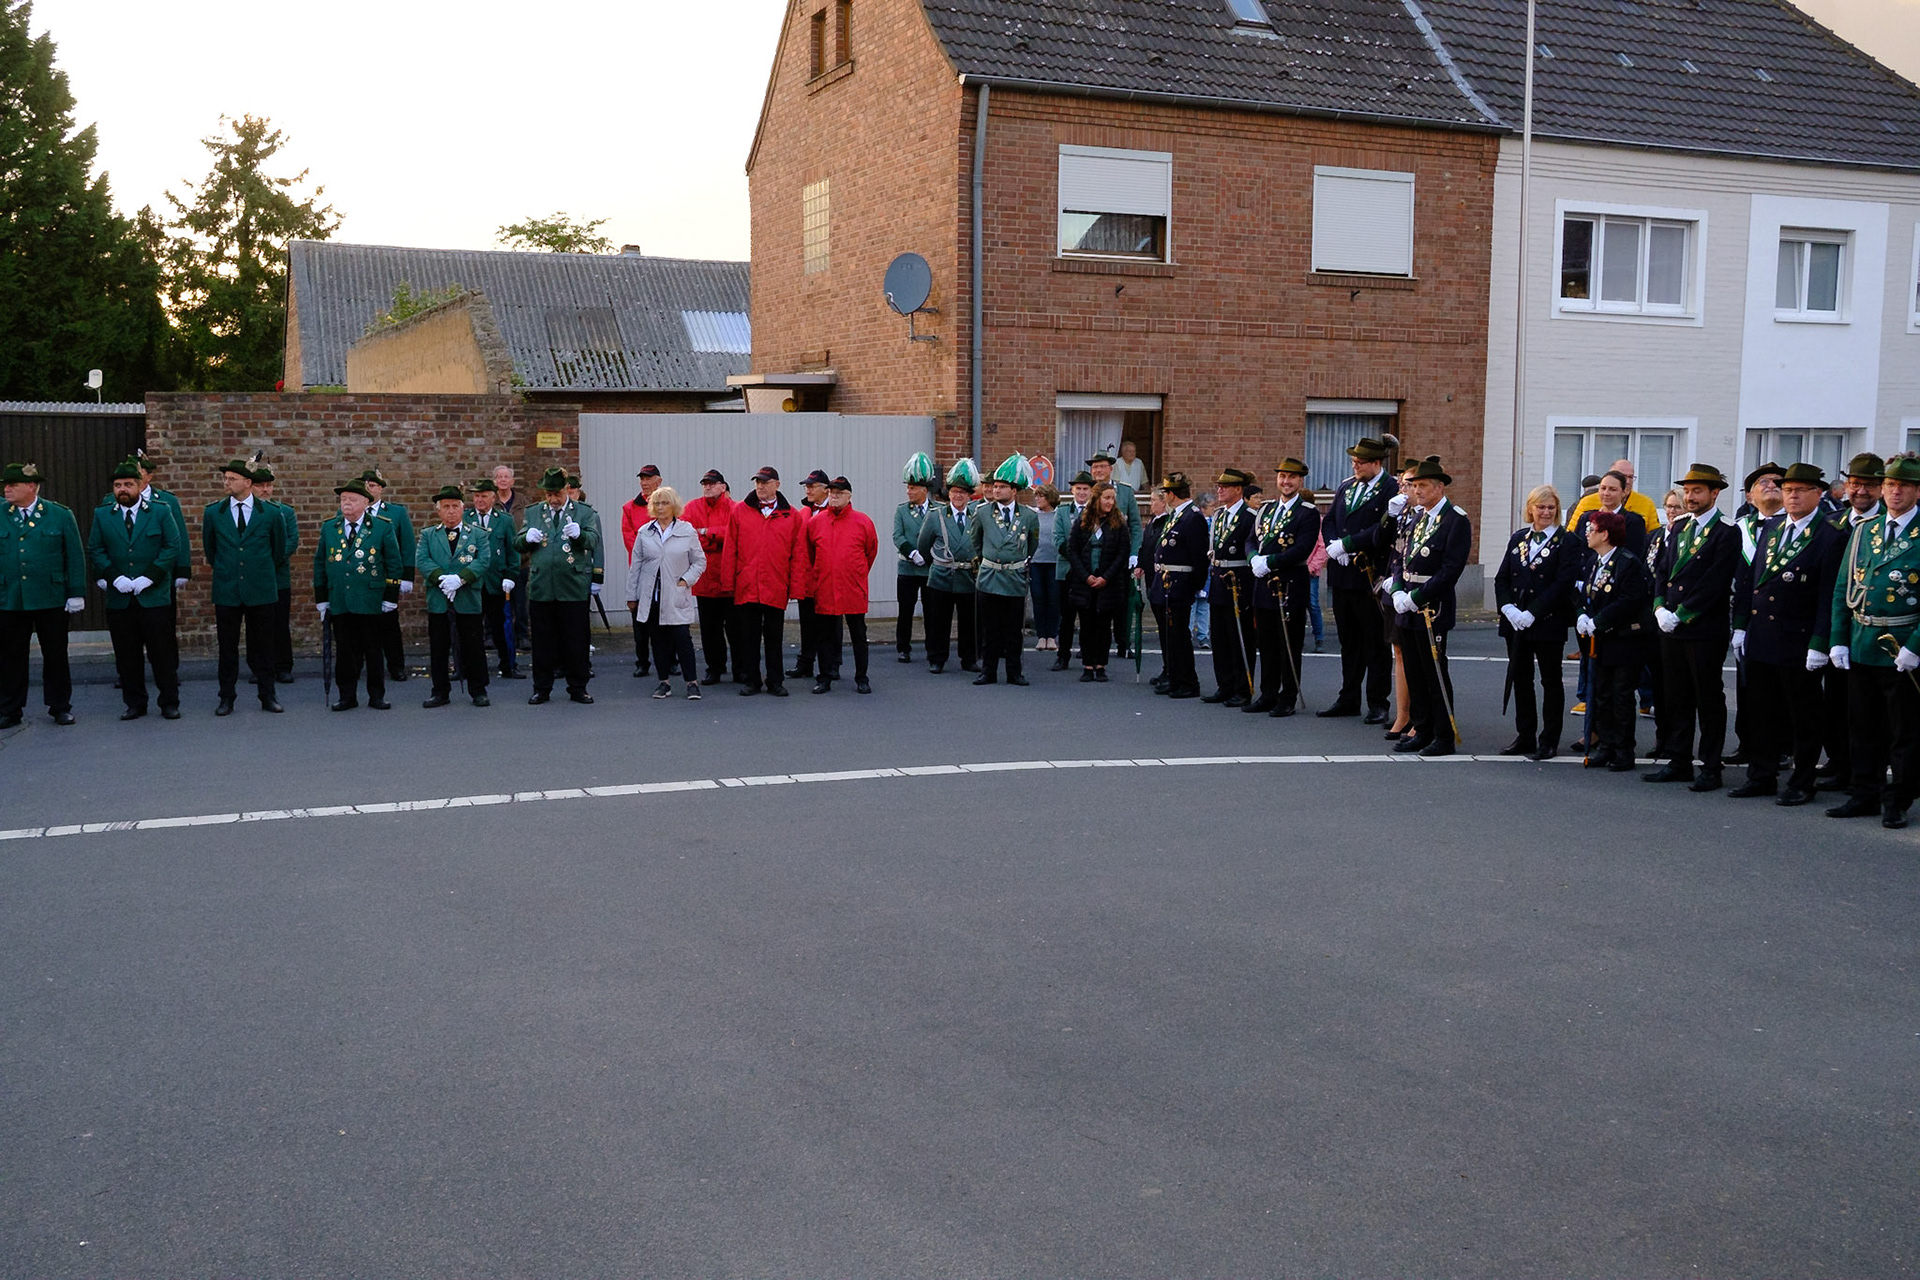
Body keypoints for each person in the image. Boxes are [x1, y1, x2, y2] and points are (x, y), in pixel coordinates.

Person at [1727, 463, 1846, 801]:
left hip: (1800, 637)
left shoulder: (1830, 534)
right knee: (1762, 711)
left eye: (1799, 490)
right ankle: (1761, 775)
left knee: (1803, 716)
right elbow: (1752, 582)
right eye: (1787, 489)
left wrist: (1821, 642)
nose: (1791, 495)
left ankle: (1801, 782)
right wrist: (1741, 628)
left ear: (1818, 494)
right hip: (1763, 634)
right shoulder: (1773, 527)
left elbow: (1828, 595)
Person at [1817, 452, 1920, 828]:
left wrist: (1915, 647)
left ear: (1917, 491)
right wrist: (1838, 639)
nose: (1895, 492)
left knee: (1903, 731)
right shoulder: (1865, 531)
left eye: (1904, 486)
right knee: (1863, 726)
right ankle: (1865, 793)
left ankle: (1898, 800)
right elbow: (1845, 588)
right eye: (1891, 485)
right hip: (1863, 640)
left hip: (1902, 646)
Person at [1644, 463, 1740, 791]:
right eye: (1687, 491)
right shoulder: (1680, 526)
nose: (1690, 497)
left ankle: (1711, 766)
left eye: (1697, 491)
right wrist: (1659, 608)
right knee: (1676, 696)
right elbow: (1662, 571)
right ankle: (1679, 760)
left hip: (1701, 628)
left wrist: (1682, 613)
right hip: (1670, 627)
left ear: (1715, 493)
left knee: (1708, 698)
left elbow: (1715, 582)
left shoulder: (1727, 531)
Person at [1385, 457, 1472, 756]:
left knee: (1434, 671)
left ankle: (1443, 735)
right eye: (1414, 485)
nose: (1416, 491)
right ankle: (1421, 728)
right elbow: (1401, 557)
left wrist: (1416, 597)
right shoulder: (1416, 517)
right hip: (1406, 605)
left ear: (1439, 487)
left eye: (1422, 486)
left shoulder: (1455, 520)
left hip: (1431, 607)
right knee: (1414, 669)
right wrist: (1397, 590)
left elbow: (1450, 570)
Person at [88, 458, 184, 721]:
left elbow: (171, 547)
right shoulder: (103, 514)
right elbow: (96, 549)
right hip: (120, 597)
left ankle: (169, 701)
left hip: (153, 595)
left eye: (128, 484)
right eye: (118, 485)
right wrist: (113, 576)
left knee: (161, 653)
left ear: (140, 486)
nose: (123, 489)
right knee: (127, 655)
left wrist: (150, 577)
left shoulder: (161, 511)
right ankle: (135, 703)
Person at [1494, 484, 1579, 759]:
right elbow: (1502, 578)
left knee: (1551, 681)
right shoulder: (1519, 538)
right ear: (1530, 509)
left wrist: (1534, 612)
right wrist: (1507, 608)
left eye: (1550, 507)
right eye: (1540, 507)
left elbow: (1563, 582)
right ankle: (1525, 735)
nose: (1545, 512)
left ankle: (1549, 739)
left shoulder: (1567, 541)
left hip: (1547, 622)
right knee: (1521, 679)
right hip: (1516, 622)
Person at [1320, 437, 1399, 722]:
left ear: (1376, 463)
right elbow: (1330, 520)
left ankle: (1378, 701)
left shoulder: (1390, 489)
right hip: (1343, 574)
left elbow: (1384, 530)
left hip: (1369, 575)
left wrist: (1348, 544)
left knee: (1375, 643)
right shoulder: (1346, 485)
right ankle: (1348, 696)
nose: (1355, 466)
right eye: (1354, 461)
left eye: (1360, 462)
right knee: (1348, 641)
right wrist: (1333, 545)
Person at [1, 461, 85, 727]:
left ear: (31, 486)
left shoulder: (59, 515)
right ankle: (10, 709)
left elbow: (74, 555)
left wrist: (76, 592)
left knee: (55, 654)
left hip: (50, 595)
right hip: (11, 597)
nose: (7, 489)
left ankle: (60, 706)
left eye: (12, 485)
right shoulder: (2, 513)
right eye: (5, 485)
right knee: (10, 656)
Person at [1819, 453, 1884, 791]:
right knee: (1836, 703)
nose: (1860, 490)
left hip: (1877, 633)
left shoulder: (1889, 523)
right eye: (1855, 483)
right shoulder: (1833, 523)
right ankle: (1839, 762)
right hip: (1837, 626)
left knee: (1873, 713)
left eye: (1870, 485)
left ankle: (1871, 772)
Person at [203, 457, 289, 716]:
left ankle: (268, 695)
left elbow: (278, 550)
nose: (226, 483)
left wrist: (257, 571)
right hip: (227, 589)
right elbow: (211, 550)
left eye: (232, 479)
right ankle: (226, 697)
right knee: (227, 648)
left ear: (248, 483)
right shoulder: (214, 512)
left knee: (263, 646)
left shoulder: (271, 514)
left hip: (260, 589)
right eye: (225, 478)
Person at [1573, 509, 1656, 771]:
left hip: (1623, 640)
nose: (1587, 533)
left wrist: (1600, 620)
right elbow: (1582, 593)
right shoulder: (1593, 561)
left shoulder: (1627, 562)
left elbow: (1629, 600)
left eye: (1592, 529)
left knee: (1621, 696)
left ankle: (1623, 750)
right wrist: (1582, 615)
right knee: (1601, 695)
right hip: (1600, 642)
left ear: (1605, 534)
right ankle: (1606, 745)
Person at [312, 477, 403, 711]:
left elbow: (394, 563)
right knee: (344, 650)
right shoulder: (330, 527)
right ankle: (347, 695)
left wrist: (390, 598)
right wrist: (322, 599)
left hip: (370, 599)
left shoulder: (382, 526)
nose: (347, 504)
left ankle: (376, 695)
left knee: (373, 649)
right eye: (343, 500)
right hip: (340, 599)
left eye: (352, 499)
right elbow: (320, 564)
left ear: (365, 501)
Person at [722, 465, 809, 696]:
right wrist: (728, 582)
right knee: (748, 637)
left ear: (777, 485)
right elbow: (730, 548)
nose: (760, 486)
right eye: (757, 482)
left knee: (774, 637)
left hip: (775, 585)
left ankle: (775, 681)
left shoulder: (791, 515)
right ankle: (752, 680)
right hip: (748, 584)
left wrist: (797, 587)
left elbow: (798, 554)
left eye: (765, 482)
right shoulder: (740, 511)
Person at [518, 466, 598, 705]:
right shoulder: (534, 513)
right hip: (543, 585)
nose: (552, 499)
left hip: (572, 586)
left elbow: (594, 540)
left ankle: (578, 687)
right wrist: (525, 538)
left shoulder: (583, 512)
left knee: (576, 640)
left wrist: (580, 535)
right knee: (543, 642)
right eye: (548, 494)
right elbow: (518, 543)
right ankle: (541, 688)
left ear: (567, 489)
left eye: (557, 494)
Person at [1247, 459, 1320, 716]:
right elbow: (1251, 540)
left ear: (1300, 481)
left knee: (1287, 642)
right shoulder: (1266, 509)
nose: (1286, 481)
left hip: (1290, 584)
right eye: (1282, 477)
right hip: (1263, 584)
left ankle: (1287, 696)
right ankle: (1267, 694)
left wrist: (1270, 561)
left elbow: (1303, 548)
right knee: (1265, 642)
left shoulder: (1308, 512)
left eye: (1291, 477)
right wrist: (1253, 558)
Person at [414, 484, 492, 708]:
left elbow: (483, 560)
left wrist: (460, 579)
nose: (450, 511)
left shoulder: (477, 534)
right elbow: (423, 560)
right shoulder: (429, 534)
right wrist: (442, 579)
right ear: (438, 511)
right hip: (439, 598)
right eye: (445, 507)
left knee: (473, 646)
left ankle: (478, 690)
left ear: (462, 509)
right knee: (439, 647)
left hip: (467, 597)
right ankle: (440, 691)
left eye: (455, 506)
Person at [627, 485, 706, 700]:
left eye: (665, 503)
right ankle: (664, 682)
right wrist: (631, 596)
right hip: (651, 596)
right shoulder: (645, 532)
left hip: (676, 595)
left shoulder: (686, 531)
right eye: (657, 504)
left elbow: (699, 561)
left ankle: (691, 683)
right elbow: (636, 566)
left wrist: (685, 580)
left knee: (682, 639)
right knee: (658, 641)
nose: (660, 508)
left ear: (674, 506)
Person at [969, 454, 1041, 686]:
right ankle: (988, 671)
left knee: (1013, 630)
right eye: (995, 486)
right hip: (990, 576)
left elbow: (1032, 544)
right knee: (990, 629)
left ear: (1014, 490)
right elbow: (976, 541)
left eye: (1002, 487)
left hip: (1014, 577)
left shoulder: (1029, 516)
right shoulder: (982, 512)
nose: (996, 490)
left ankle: (1014, 672)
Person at [807, 476, 879, 694]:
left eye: (839, 493)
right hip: (826, 587)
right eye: (832, 493)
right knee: (825, 636)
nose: (834, 497)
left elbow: (870, 551)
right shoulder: (815, 523)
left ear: (849, 496)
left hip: (852, 588)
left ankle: (862, 677)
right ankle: (824, 677)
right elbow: (811, 553)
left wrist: (856, 574)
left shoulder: (863, 522)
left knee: (858, 634)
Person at [915, 460, 980, 674]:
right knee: (938, 621)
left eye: (962, 492)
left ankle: (968, 658)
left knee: (968, 622)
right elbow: (923, 546)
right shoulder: (936, 516)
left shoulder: (977, 516)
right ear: (948, 494)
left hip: (967, 576)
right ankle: (937, 658)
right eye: (954, 492)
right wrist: (939, 562)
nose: (958, 496)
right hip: (942, 575)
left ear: (969, 495)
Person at [1147, 472, 1208, 699]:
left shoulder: (1193, 517)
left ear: (1172, 494)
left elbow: (1199, 557)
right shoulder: (1178, 515)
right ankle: (1175, 676)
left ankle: (1188, 681)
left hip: (1180, 583)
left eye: (1166, 493)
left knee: (1180, 635)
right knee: (1171, 635)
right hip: (1166, 583)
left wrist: (1194, 586)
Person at [1064, 481, 1130, 681]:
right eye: (1107, 498)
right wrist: (1086, 576)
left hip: (1108, 583)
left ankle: (1100, 665)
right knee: (1086, 625)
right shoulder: (1082, 521)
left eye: (1112, 498)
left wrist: (1105, 577)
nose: (1110, 502)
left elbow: (1122, 553)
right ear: (1097, 499)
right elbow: (1072, 550)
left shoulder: (1118, 523)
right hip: (1085, 582)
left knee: (1103, 626)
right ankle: (1087, 665)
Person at [1204, 468, 1259, 706]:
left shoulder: (1250, 516)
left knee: (1240, 637)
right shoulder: (1218, 515)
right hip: (1218, 578)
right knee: (1220, 637)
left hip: (1239, 580)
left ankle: (1242, 687)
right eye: (1219, 486)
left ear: (1238, 489)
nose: (1219, 490)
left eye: (1224, 487)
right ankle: (1224, 684)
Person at [684, 469, 740, 684]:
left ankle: (740, 668)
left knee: (735, 628)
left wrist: (707, 532)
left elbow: (735, 535)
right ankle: (714, 668)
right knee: (709, 629)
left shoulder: (736, 508)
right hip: (705, 577)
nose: (707, 487)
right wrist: (716, 538)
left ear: (723, 487)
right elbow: (689, 535)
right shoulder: (692, 507)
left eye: (712, 483)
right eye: (705, 484)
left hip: (729, 578)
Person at [246, 464, 300, 686]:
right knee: (254, 624)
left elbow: (291, 542)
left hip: (277, 577)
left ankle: (283, 666)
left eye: (269, 485)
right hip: (252, 578)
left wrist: (269, 561)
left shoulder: (284, 512)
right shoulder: (246, 512)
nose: (266, 490)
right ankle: (258, 667)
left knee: (279, 623)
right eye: (261, 486)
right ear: (251, 487)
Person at [1086, 449, 1142, 659]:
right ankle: (1090, 645)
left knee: (1121, 603)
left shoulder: (1125, 492)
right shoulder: (1086, 491)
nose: (1098, 470)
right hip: (1094, 557)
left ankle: (1123, 643)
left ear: (1111, 468)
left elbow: (1135, 525)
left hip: (1120, 556)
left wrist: (1134, 552)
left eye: (1102, 466)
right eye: (1095, 466)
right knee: (1090, 603)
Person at [469, 479, 522, 679]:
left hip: (496, 582)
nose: (479, 500)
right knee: (471, 629)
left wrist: (510, 575)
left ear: (493, 497)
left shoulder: (504, 520)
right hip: (472, 584)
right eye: (476, 496)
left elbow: (513, 551)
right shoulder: (466, 518)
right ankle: (469, 667)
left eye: (483, 496)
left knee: (502, 627)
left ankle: (508, 665)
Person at [787, 468, 832, 682]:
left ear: (826, 490)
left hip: (826, 579)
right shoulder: (803, 513)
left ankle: (832, 664)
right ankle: (805, 663)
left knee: (828, 626)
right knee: (807, 623)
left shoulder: (833, 512)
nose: (808, 490)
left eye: (812, 486)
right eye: (807, 487)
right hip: (806, 578)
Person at [621, 464, 665, 678]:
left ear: (659, 480)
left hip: (664, 569)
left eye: (649, 478)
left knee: (666, 617)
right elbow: (630, 539)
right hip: (641, 570)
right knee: (640, 619)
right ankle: (642, 661)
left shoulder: (667, 504)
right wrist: (650, 553)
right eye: (642, 479)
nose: (644, 482)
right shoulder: (629, 508)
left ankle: (669, 660)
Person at [893, 455, 937, 663]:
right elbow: (898, 536)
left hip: (929, 568)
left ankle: (932, 648)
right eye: (908, 488)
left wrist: (927, 555)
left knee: (931, 611)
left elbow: (940, 535)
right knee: (906, 610)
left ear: (924, 490)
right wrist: (912, 552)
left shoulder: (937, 510)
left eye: (913, 488)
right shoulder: (902, 510)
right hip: (908, 568)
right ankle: (903, 647)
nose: (909, 491)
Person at [131, 450, 192, 597]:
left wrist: (183, 569)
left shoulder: (167, 501)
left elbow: (179, 536)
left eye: (138, 472)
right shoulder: (112, 501)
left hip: (161, 573)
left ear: (149, 476)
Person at [1051, 470, 1095, 669]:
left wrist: (1086, 565)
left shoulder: (1097, 513)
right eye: (1078, 489)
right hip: (1067, 571)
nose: (1082, 492)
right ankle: (1063, 656)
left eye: (1086, 489)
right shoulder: (1062, 511)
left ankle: (1088, 655)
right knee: (1066, 617)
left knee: (1088, 617)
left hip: (1089, 572)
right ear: (1072, 490)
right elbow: (1059, 540)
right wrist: (1076, 560)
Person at [1565, 455, 1662, 532]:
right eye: (1622, 476)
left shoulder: (1646, 503)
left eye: (1631, 477)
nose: (1627, 481)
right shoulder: (1587, 502)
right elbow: (1572, 536)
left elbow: (1655, 537)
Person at [492, 464, 529, 654]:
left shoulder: (523, 502)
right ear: (495, 481)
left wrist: (525, 555)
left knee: (521, 601)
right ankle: (491, 635)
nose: (503, 480)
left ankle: (522, 635)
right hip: (497, 563)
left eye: (507, 477)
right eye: (499, 477)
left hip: (521, 561)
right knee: (494, 601)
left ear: (512, 481)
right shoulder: (491, 502)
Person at [1028, 483, 1061, 653]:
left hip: (1055, 562)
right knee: (1038, 598)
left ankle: (1052, 636)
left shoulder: (1059, 515)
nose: (1038, 499)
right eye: (1037, 496)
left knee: (1054, 599)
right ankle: (1041, 636)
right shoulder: (1033, 515)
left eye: (1042, 496)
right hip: (1036, 562)